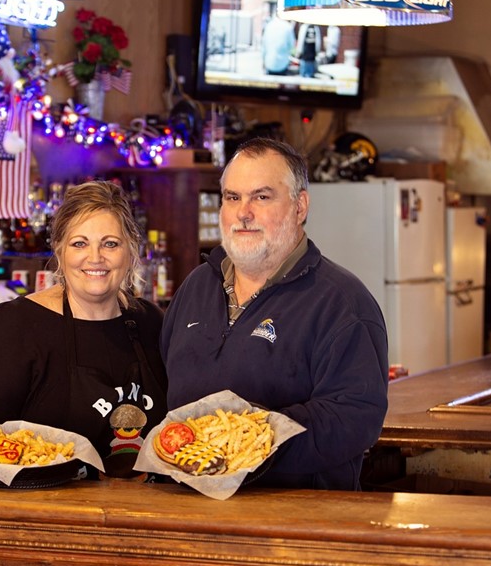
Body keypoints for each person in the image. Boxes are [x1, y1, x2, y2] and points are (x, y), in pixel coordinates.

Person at [159, 138, 388, 490]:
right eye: (232, 197)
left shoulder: (343, 303)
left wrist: (247, 442)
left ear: (300, 207)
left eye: (261, 197)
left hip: (294, 522)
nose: (243, 212)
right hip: (187, 513)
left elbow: (355, 418)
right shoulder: (196, 286)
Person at [0, 181, 167, 478]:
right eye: (80, 243)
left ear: (130, 251)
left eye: (110, 243)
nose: (95, 258)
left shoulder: (151, 322)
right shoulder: (16, 325)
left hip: (145, 512)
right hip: (47, 512)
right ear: (59, 252)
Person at [260, 3, 294, 76]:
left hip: (269, 63)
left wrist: (263, 62)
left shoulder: (269, 26)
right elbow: (292, 46)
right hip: (283, 64)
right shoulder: (288, 27)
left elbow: (263, 47)